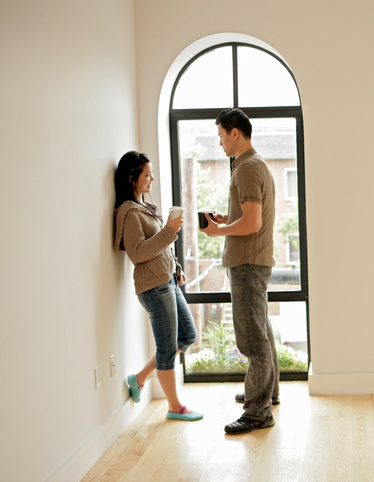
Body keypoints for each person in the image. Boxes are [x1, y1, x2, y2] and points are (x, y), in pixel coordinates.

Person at [201, 108, 279, 435]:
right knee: (262, 329)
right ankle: (266, 391)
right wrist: (225, 219)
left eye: (221, 136)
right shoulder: (255, 164)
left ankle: (257, 411)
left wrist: (219, 232)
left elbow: (252, 223)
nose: (219, 143)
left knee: (252, 340)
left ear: (235, 133)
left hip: (247, 263)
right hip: (253, 260)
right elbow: (246, 217)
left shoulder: (246, 168)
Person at [113, 151, 203, 422]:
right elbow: (138, 253)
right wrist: (169, 230)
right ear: (132, 178)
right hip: (153, 287)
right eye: (147, 174)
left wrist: (176, 268)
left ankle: (139, 378)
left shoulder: (144, 208)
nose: (151, 178)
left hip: (167, 281)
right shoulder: (128, 213)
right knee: (166, 349)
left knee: (186, 336)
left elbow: (160, 248)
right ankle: (175, 407)